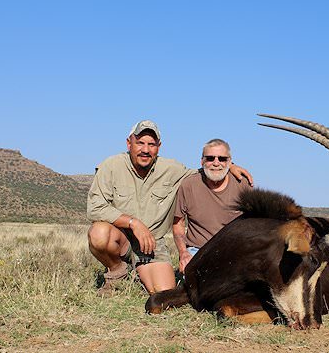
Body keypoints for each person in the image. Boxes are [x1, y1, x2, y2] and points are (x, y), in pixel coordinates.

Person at [87, 120, 252, 295]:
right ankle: (117, 271)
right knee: (99, 233)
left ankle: (137, 273)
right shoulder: (111, 166)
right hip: (122, 238)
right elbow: (95, 208)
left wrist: (230, 166)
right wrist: (133, 223)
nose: (145, 149)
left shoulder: (171, 169)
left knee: (163, 292)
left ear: (159, 146)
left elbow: (205, 171)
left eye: (151, 144)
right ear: (129, 143)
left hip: (152, 244)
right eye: (140, 143)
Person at [173, 138, 251, 273]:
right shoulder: (189, 185)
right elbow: (177, 224)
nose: (216, 163)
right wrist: (183, 253)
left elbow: (253, 222)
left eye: (222, 159)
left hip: (233, 250)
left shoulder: (242, 185)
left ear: (230, 161)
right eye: (210, 158)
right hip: (198, 250)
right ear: (202, 161)